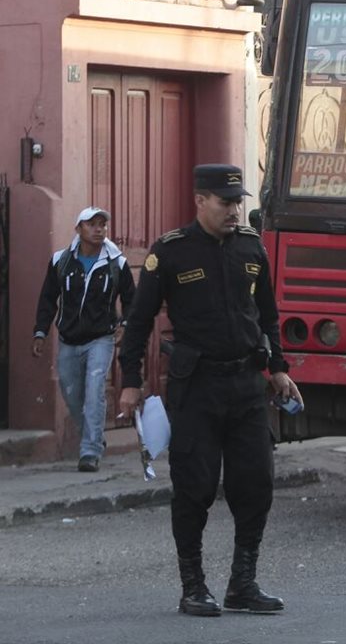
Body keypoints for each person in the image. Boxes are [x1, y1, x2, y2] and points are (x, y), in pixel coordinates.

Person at [117, 164, 304, 617]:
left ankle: (243, 583)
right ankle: (193, 586)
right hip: (196, 387)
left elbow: (268, 317)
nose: (234, 209)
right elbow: (139, 322)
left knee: (255, 483)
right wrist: (130, 383)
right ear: (200, 200)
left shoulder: (250, 247)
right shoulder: (171, 252)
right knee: (195, 487)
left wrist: (278, 369)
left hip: (245, 386)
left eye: (238, 201)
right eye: (225, 202)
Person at [32, 207, 136, 472]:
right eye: (92, 224)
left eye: (102, 224)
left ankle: (89, 451)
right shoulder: (61, 261)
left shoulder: (117, 262)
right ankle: (94, 437)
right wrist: (41, 331)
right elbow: (47, 298)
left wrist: (124, 324)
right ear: (79, 229)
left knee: (94, 391)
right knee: (71, 394)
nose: (99, 229)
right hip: (68, 339)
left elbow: (131, 299)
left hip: (100, 338)